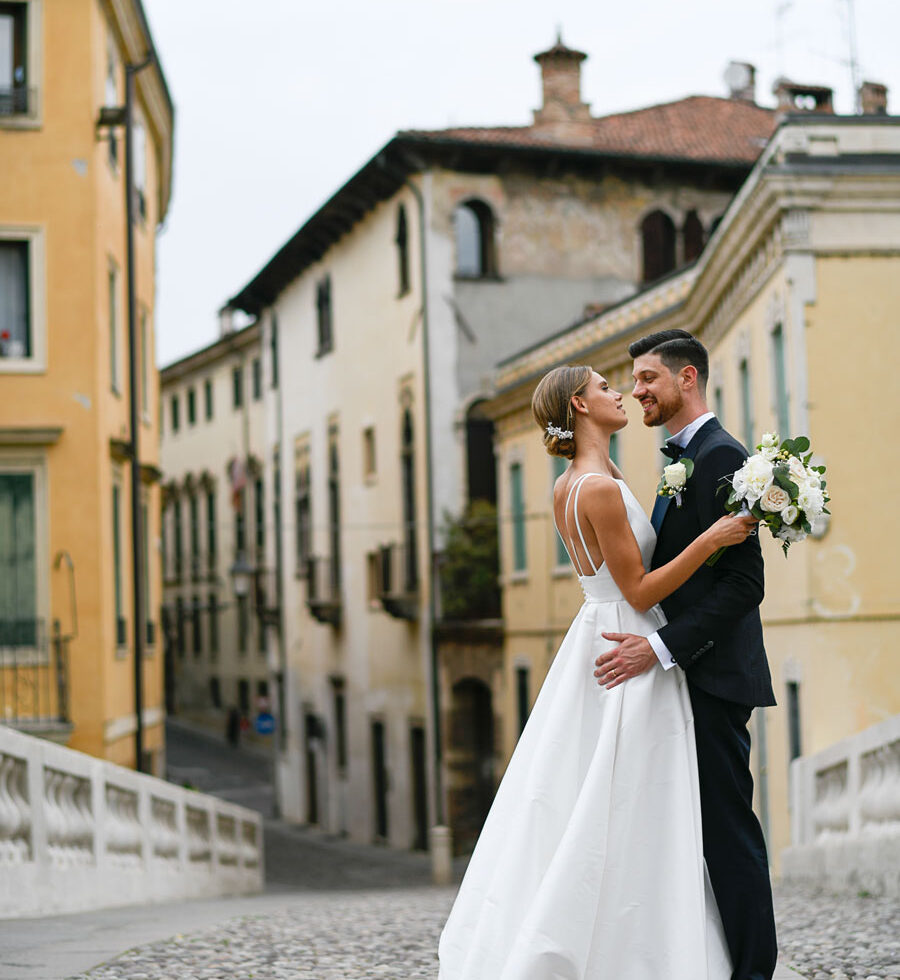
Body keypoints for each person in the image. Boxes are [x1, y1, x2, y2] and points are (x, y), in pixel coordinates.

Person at [438, 363, 757, 980]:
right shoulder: (602, 487)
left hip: (592, 630)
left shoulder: (572, 483)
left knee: (592, 791)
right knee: (637, 792)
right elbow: (638, 591)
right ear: (580, 407)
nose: (621, 395)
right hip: (627, 638)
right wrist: (711, 540)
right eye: (607, 389)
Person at [594, 329, 778, 980]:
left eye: (647, 378)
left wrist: (661, 649)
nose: (638, 390)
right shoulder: (681, 456)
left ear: (687, 379)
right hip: (686, 674)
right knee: (698, 833)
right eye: (633, 381)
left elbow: (744, 583)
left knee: (727, 834)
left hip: (714, 677)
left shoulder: (722, 456)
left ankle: (755, 973)